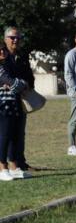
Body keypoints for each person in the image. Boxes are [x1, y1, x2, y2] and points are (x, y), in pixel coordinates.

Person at [4, 27, 34, 173]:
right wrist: (19, 84)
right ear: (5, 39)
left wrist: (28, 85)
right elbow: (5, 79)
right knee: (7, 133)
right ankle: (9, 164)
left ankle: (19, 162)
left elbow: (29, 75)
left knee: (19, 132)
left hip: (21, 100)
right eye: (12, 37)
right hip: (6, 102)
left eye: (18, 38)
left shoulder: (22, 56)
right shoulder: (2, 56)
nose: (15, 40)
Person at [0, 44, 27, 181]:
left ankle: (13, 167)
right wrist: (17, 84)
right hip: (2, 106)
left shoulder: (7, 66)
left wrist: (16, 83)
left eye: (3, 49)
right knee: (4, 137)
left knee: (13, 137)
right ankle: (2, 168)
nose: (2, 51)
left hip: (12, 105)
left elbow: (18, 83)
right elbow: (11, 82)